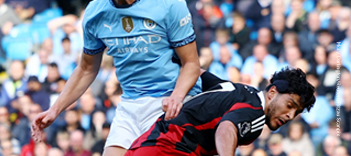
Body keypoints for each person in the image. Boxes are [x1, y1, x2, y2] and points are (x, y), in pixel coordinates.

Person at [30, 0, 203, 156]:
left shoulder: (169, 3)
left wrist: (177, 96)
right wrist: (55, 109)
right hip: (130, 104)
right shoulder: (95, 13)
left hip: (172, 101)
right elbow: (86, 69)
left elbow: (191, 63)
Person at [123, 68, 316, 156]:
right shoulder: (256, 113)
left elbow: (195, 70)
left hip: (143, 144)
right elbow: (227, 128)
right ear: (272, 92)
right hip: (171, 150)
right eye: (290, 105)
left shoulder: (232, 88)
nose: (290, 116)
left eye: (296, 112)